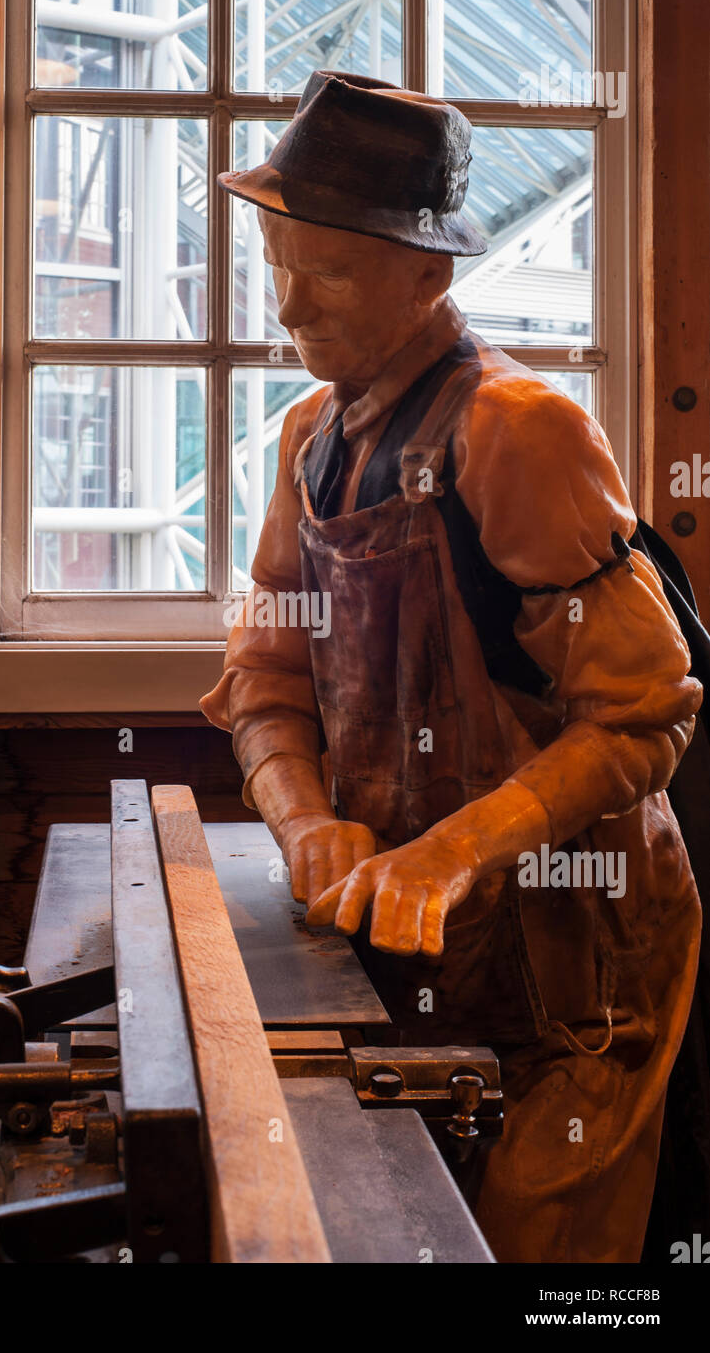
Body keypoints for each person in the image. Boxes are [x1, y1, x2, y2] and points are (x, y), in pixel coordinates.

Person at [200, 70, 702, 1263]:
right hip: (414, 937)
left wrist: (455, 849)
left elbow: (647, 715)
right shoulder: (307, 440)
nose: (287, 309)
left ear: (429, 273)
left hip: (570, 964)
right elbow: (262, 671)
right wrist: (305, 818)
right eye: (275, 261)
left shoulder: (519, 433)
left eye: (326, 272)